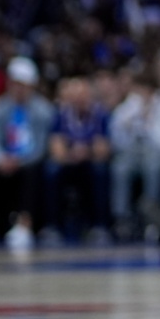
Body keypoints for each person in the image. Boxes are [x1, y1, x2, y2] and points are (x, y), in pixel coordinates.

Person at [0, 56, 54, 248]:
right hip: (4, 160)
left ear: (31, 86)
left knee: (33, 173)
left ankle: (24, 224)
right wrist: (0, 159)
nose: (18, 89)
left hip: (28, 162)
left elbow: (40, 147)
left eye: (23, 85)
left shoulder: (43, 110)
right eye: (15, 84)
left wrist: (18, 161)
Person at [109, 70, 160, 239]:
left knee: (153, 167)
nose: (141, 94)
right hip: (132, 153)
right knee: (120, 168)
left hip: (158, 154)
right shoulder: (127, 108)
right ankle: (122, 218)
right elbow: (117, 141)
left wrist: (149, 124)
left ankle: (152, 219)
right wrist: (130, 124)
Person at [45, 76, 112, 242]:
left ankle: (99, 226)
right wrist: (71, 154)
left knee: (100, 170)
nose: (80, 99)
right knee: (52, 170)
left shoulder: (101, 115)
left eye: (83, 95)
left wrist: (85, 152)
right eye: (76, 96)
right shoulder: (61, 115)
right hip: (68, 162)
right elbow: (56, 149)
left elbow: (102, 149)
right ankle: (53, 226)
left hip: (90, 162)